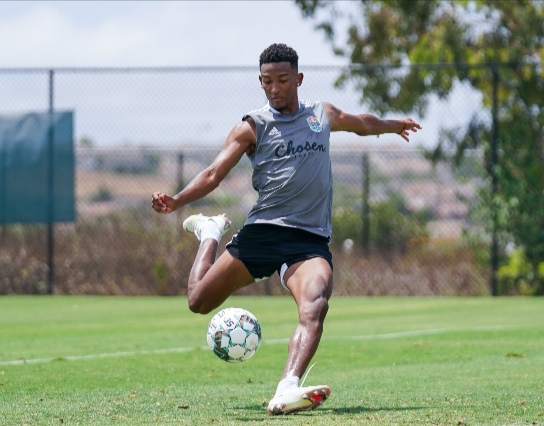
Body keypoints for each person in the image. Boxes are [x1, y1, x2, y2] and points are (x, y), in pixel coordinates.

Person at [151, 43, 421, 415]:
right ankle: (210, 233)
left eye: (282, 80)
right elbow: (214, 173)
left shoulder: (320, 114)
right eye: (266, 82)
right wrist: (178, 201)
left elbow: (360, 123)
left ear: (298, 79)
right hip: (264, 232)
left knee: (315, 304)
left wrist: (395, 125)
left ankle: (287, 388)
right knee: (198, 301)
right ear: (260, 82)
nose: (274, 89)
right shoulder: (252, 126)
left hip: (309, 242)